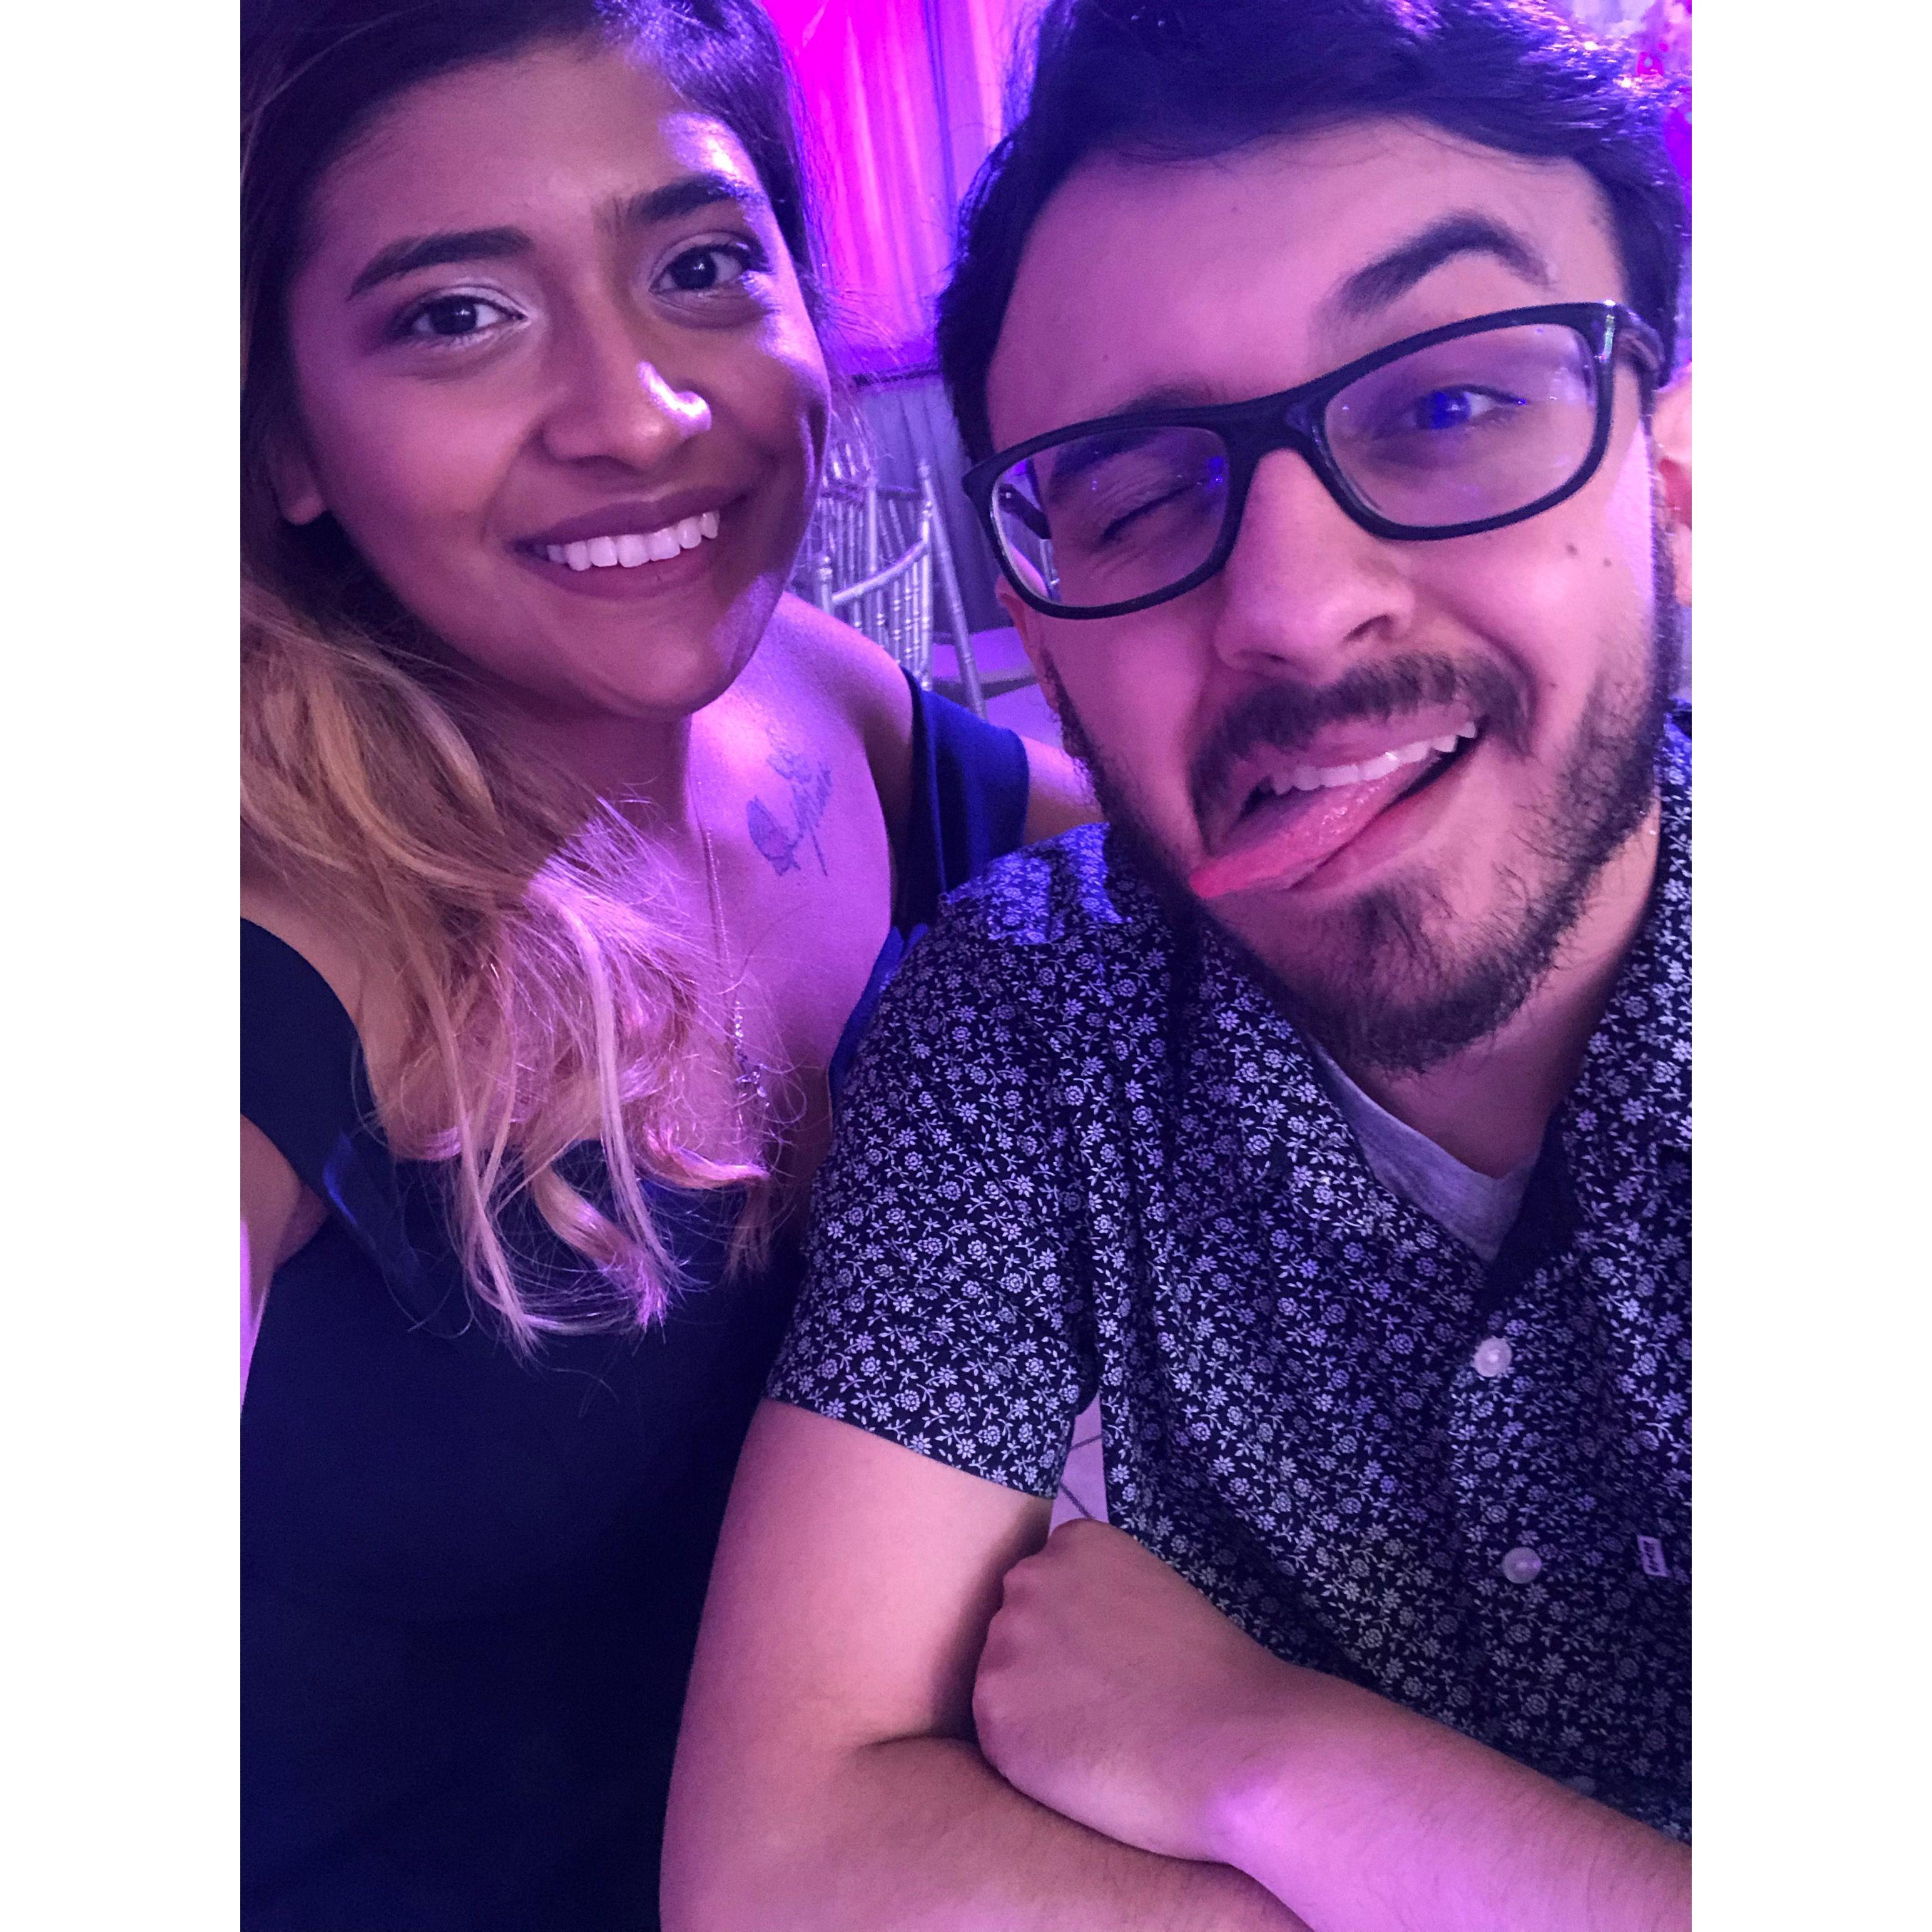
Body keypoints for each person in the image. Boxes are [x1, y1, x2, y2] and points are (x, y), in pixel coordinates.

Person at [664, 2, 1692, 1928]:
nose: (1294, 609)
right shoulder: (1028, 1029)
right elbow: (779, 1866)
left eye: (1448, 408)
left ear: (1673, 479)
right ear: (1044, 641)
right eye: (1138, 495)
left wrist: (1279, 1762)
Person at [237, 1, 1091, 1924]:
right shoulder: (257, 938)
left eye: (701, 267)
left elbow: (1200, 882)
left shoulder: (817, 700)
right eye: (458, 314)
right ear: (287, 437)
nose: (635, 413)